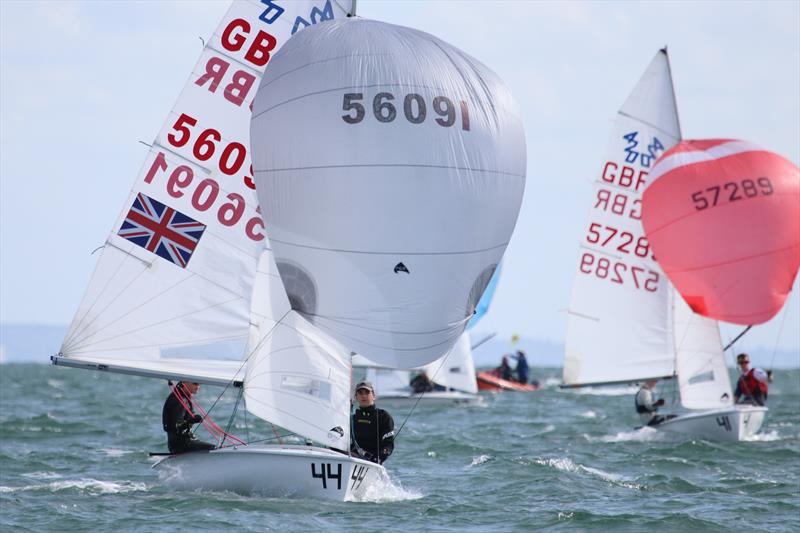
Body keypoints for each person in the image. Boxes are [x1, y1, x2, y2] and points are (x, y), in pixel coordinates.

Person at [162, 381, 215, 454]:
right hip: (180, 445)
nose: (198, 386)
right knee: (214, 449)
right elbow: (177, 427)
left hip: (184, 442)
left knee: (214, 448)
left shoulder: (183, 397)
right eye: (195, 383)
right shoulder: (179, 400)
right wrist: (192, 421)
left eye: (199, 384)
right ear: (184, 382)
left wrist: (191, 421)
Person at [351, 381, 394, 464]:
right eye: (360, 393)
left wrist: (379, 457)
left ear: (373, 396)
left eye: (367, 392)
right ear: (356, 397)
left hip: (373, 461)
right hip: (352, 458)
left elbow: (388, 444)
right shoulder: (352, 418)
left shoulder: (383, 416)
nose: (363, 396)